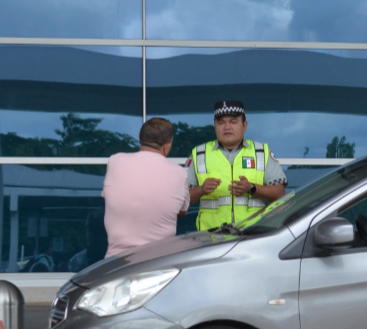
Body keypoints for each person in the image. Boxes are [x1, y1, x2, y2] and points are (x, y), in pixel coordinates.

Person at [187, 100, 287, 230]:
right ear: (215, 126)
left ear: (244, 126)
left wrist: (252, 188)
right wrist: (201, 190)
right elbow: (181, 200)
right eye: (221, 122)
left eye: (233, 122)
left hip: (253, 233)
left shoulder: (261, 152)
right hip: (210, 237)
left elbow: (280, 193)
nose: (227, 127)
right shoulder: (199, 154)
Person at [101, 117, 189, 258]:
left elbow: (111, 197)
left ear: (139, 137)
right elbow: (182, 211)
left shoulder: (115, 161)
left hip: (115, 263)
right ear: (167, 146)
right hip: (158, 263)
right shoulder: (180, 173)